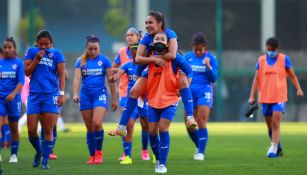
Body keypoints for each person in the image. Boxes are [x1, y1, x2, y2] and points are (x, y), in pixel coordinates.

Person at [109, 10, 196, 136]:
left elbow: (172, 54)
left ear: (160, 23)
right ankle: (122, 127)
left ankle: (190, 117)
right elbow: (138, 59)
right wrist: (153, 60)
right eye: (146, 23)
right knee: (133, 91)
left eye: (150, 22)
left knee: (182, 80)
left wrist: (153, 59)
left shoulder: (170, 33)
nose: (147, 25)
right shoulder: (146, 37)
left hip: (172, 66)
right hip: (153, 68)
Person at [142, 32, 192, 173]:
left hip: (170, 99)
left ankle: (162, 164)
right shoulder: (150, 58)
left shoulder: (176, 58)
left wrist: (184, 85)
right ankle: (158, 159)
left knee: (163, 129)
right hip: (153, 100)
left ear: (168, 43)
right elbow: (139, 70)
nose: (159, 40)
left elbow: (189, 71)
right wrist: (140, 87)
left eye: (162, 39)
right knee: (152, 132)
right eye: (156, 38)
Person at [248, 37, 304, 158]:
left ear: (278, 49)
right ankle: (278, 148)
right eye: (269, 49)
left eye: (273, 50)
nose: (271, 51)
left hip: (279, 96)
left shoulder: (284, 59)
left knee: (275, 123)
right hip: (265, 97)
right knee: (269, 126)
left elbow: (292, 76)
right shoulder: (261, 60)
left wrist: (298, 88)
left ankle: (273, 147)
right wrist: (252, 96)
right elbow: (256, 79)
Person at [24, 30, 66, 169]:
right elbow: (26, 72)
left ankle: (45, 161)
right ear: (36, 43)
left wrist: (61, 94)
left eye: (46, 44)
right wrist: (37, 58)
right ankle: (39, 152)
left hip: (50, 95)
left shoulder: (57, 53)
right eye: (40, 44)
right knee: (31, 131)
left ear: (51, 43)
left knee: (48, 129)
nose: (43, 47)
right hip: (34, 95)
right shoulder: (31, 51)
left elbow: (61, 75)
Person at [73, 35, 117, 164]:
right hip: (85, 96)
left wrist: (114, 98)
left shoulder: (105, 60)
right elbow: (76, 79)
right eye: (90, 49)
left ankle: (99, 153)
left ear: (99, 48)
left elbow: (111, 81)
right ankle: (92, 155)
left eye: (95, 49)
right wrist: (75, 94)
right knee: (90, 128)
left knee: (97, 123)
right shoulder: (80, 61)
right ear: (86, 48)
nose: (93, 52)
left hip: (100, 95)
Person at [112, 43, 150, 164]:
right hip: (132, 100)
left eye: (137, 51)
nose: (135, 53)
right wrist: (113, 77)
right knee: (129, 126)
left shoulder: (147, 66)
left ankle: (145, 151)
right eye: (133, 51)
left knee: (146, 126)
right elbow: (117, 75)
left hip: (144, 100)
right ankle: (128, 156)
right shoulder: (127, 65)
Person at [184, 32, 218, 160]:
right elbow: (181, 74)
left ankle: (201, 153)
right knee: (189, 125)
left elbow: (214, 78)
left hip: (205, 92)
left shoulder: (211, 58)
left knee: (201, 121)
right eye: (195, 49)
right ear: (192, 47)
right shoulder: (187, 57)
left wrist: (208, 66)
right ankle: (199, 145)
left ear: (205, 47)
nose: (198, 52)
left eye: (200, 49)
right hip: (189, 92)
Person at [0, 37, 24, 163]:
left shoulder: (19, 63)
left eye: (10, 47)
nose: (7, 50)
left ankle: (14, 155)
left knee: (14, 128)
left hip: (14, 100)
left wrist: (13, 93)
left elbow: (21, 82)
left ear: (14, 49)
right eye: (5, 47)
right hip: (0, 99)